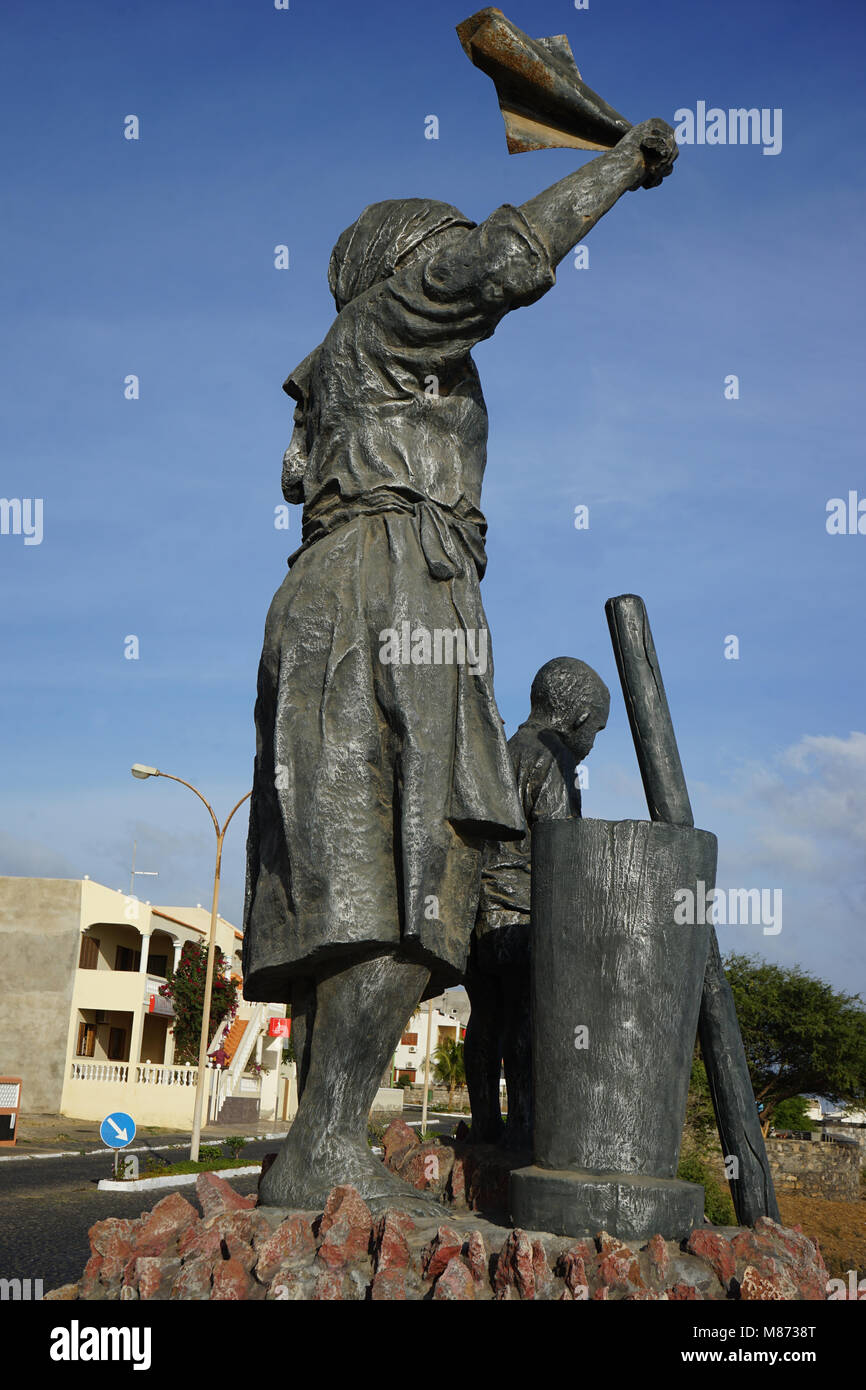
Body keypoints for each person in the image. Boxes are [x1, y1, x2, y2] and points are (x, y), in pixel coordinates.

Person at [245, 120, 678, 1210]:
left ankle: (319, 1143)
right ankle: (326, 1145)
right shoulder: (388, 321)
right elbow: (506, 257)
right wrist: (620, 163)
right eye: (437, 252)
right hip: (389, 591)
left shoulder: (347, 370)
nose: (454, 267)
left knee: (361, 866)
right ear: (405, 267)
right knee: (411, 868)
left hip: (350, 591)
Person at [464, 658, 610, 1151]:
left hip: (475, 911)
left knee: (486, 1019)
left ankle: (486, 1125)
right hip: (521, 916)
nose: (593, 742)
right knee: (527, 1020)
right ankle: (525, 1130)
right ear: (576, 715)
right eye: (596, 728)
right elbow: (557, 849)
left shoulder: (502, 750)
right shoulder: (553, 757)